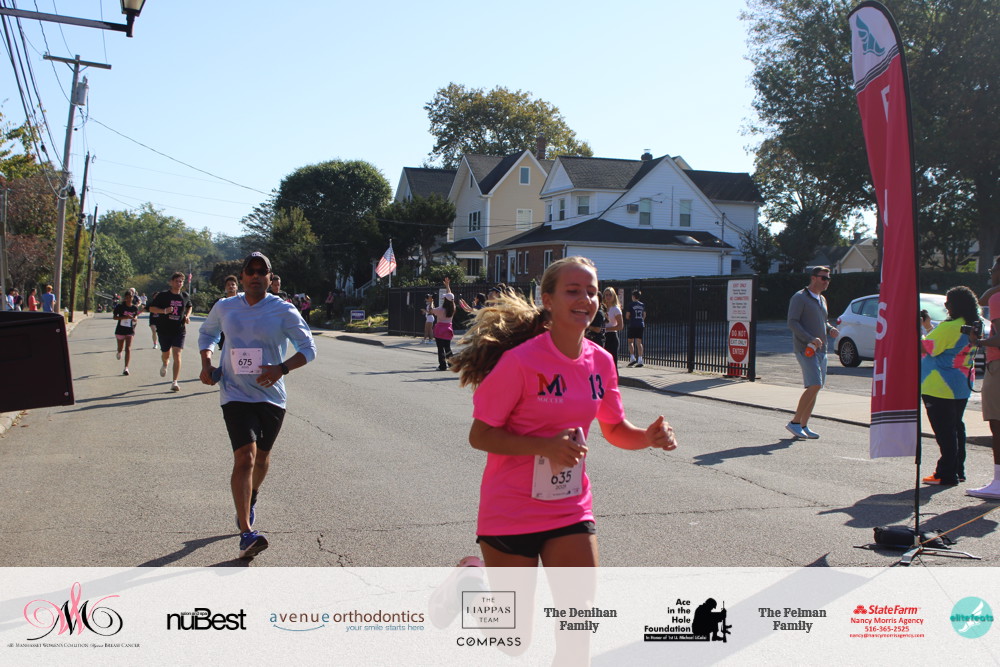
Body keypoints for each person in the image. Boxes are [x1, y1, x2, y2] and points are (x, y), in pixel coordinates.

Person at [451, 255, 678, 569]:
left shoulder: (601, 362)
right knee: (515, 605)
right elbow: (480, 436)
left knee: (578, 601)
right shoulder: (520, 361)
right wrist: (545, 446)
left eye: (591, 292)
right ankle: (473, 578)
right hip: (510, 508)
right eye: (573, 291)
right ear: (548, 300)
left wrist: (647, 437)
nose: (585, 299)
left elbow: (615, 428)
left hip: (570, 507)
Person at [198, 252, 317, 560]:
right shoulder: (225, 306)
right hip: (234, 393)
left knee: (262, 458)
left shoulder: (283, 310)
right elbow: (207, 333)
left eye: (260, 271)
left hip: (270, 395)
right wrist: (207, 363)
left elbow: (308, 348)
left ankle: (250, 498)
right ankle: (247, 533)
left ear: (269, 276)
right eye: (249, 271)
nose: (254, 275)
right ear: (242, 276)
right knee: (245, 458)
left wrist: (281, 368)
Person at [920, 286, 978, 486]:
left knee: (945, 432)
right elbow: (945, 345)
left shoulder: (951, 326)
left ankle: (945, 473)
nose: (946, 306)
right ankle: (958, 470)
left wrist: (917, 330)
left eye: (948, 302)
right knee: (956, 428)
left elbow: (925, 348)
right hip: (961, 384)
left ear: (956, 305)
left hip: (939, 386)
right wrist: (929, 328)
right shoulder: (973, 324)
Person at [786, 266, 838, 439]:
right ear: (813, 278)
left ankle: (803, 425)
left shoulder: (822, 299)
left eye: (828, 279)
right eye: (824, 278)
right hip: (806, 348)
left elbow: (823, 321)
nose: (827, 282)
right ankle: (794, 423)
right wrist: (810, 338)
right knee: (814, 384)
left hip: (822, 349)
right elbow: (792, 322)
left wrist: (830, 329)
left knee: (816, 388)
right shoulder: (800, 297)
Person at [969, 258, 1000, 499]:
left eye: (993, 270)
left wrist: (978, 342)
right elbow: (980, 300)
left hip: (997, 366)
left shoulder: (997, 298)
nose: (990, 273)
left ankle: (998, 482)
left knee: (997, 424)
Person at [148, 272, 193, 392]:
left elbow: (189, 306)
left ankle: (175, 382)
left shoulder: (185, 295)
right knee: (166, 354)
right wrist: (164, 311)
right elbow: (151, 308)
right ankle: (165, 363)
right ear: (171, 282)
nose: (179, 283)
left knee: (177, 354)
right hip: (164, 330)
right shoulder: (163, 296)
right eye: (176, 281)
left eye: (181, 281)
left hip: (179, 329)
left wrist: (187, 316)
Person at [112, 291, 141, 376]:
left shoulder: (134, 308)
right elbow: (114, 317)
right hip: (120, 330)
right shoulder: (120, 307)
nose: (129, 299)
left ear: (133, 298)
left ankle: (126, 368)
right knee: (120, 348)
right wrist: (125, 317)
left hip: (130, 330)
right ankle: (119, 352)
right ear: (125, 298)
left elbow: (135, 317)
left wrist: (135, 319)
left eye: (130, 297)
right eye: (127, 297)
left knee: (128, 348)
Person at [430, 278, 456, 370]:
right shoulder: (453, 308)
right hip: (448, 329)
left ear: (445, 300)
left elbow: (431, 310)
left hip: (440, 329)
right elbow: (450, 296)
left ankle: (442, 365)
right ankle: (451, 364)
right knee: (447, 347)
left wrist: (431, 302)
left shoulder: (440, 310)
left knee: (440, 348)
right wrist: (447, 286)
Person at [602, 287, 623, 372]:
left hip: (612, 336)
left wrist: (607, 328)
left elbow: (620, 326)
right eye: (606, 295)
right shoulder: (602, 308)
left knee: (613, 363)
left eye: (610, 295)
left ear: (614, 296)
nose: (608, 297)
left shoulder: (615, 309)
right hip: (603, 336)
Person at [625, 289, 646, 367]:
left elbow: (627, 315)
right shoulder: (642, 305)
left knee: (630, 341)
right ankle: (640, 359)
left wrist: (630, 318)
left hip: (633, 324)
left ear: (633, 296)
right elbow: (644, 315)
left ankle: (632, 358)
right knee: (639, 342)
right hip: (640, 324)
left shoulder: (631, 305)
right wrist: (641, 320)